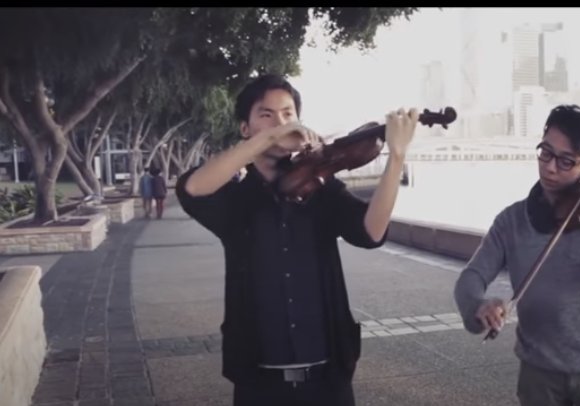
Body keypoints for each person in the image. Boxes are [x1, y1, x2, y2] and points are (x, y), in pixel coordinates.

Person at [175, 73, 417, 406]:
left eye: (288, 114)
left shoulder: (322, 189)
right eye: (267, 114)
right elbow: (191, 189)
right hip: (258, 384)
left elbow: (371, 233)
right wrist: (270, 137)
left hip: (328, 380)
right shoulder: (235, 199)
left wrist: (397, 158)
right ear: (245, 128)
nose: (281, 123)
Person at [453, 105, 580, 406]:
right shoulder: (512, 220)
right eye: (545, 153)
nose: (550, 167)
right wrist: (478, 305)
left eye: (566, 161)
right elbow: (472, 276)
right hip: (538, 373)